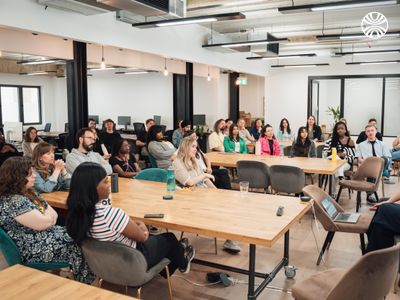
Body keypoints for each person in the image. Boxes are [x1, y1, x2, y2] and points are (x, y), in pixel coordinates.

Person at [66, 162, 195, 277]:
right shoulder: (110, 214)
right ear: (92, 188)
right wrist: (143, 226)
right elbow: (143, 238)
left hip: (105, 263)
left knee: (167, 243)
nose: (109, 184)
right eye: (105, 182)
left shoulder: (77, 214)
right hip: (134, 258)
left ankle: (173, 256)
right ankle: (182, 262)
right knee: (170, 238)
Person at [0, 157, 95, 283]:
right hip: (32, 248)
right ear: (16, 176)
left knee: (83, 235)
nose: (34, 176)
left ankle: (86, 279)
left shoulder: (29, 192)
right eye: (30, 173)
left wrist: (47, 218)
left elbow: (53, 215)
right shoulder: (13, 201)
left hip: (45, 236)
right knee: (81, 243)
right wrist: (47, 217)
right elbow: (44, 223)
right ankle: (85, 285)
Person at [173, 137, 240, 253]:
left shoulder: (194, 161)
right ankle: (229, 238)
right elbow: (189, 182)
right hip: (190, 198)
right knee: (222, 209)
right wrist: (205, 176)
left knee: (228, 203)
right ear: (186, 147)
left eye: (196, 147)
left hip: (202, 193)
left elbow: (205, 181)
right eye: (193, 147)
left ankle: (229, 238)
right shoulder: (177, 163)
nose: (196, 149)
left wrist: (217, 192)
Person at [355, 124, 392, 202]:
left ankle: (369, 195)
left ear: (376, 131)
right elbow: (358, 159)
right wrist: (366, 161)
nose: (370, 133)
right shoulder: (361, 145)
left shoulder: (383, 144)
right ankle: (370, 194)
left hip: (380, 165)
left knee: (384, 158)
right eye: (368, 131)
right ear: (365, 133)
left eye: (372, 130)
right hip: (368, 166)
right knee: (373, 168)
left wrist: (380, 162)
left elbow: (388, 158)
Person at [323, 122, 355, 194]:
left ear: (345, 130)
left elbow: (352, 156)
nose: (340, 130)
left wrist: (344, 156)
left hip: (345, 164)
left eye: (342, 128)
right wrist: (337, 155)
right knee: (334, 164)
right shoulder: (330, 141)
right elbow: (325, 153)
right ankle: (341, 177)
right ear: (336, 130)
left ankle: (332, 193)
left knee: (334, 170)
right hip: (332, 162)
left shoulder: (350, 141)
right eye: (338, 129)